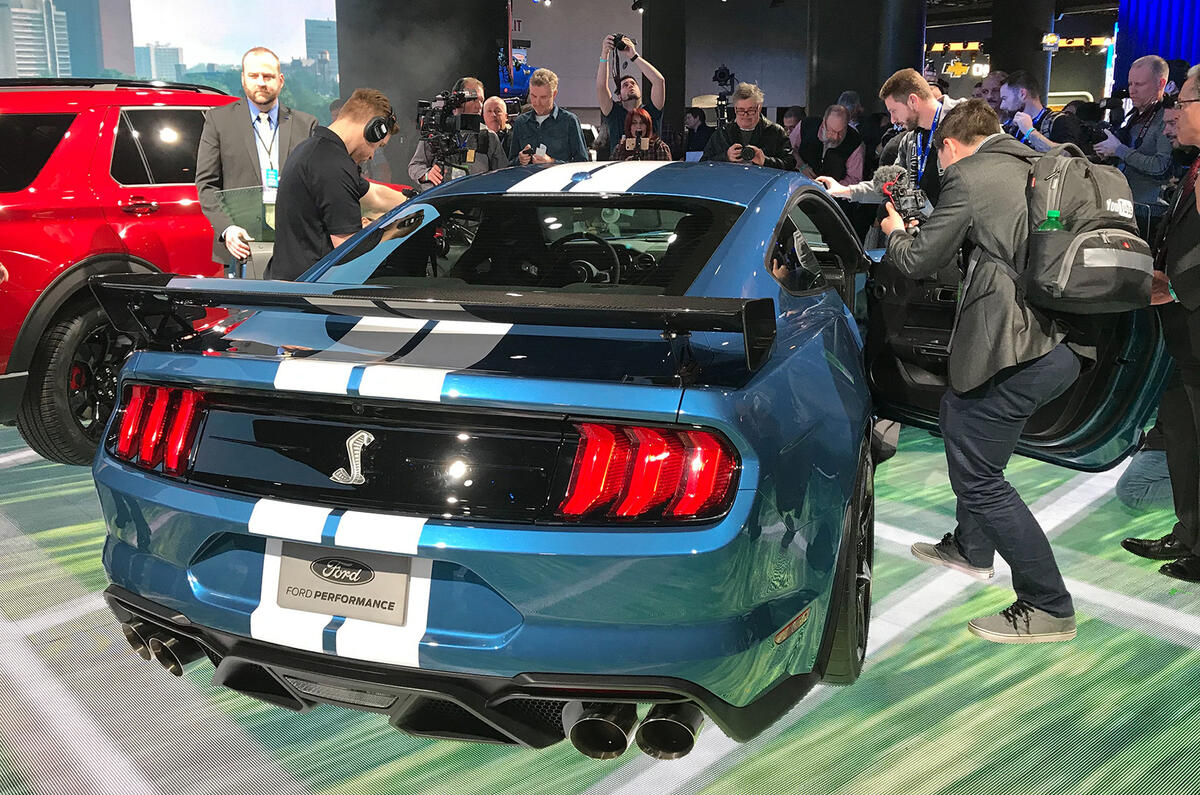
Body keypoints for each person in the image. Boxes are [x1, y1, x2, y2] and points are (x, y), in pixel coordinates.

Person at [887, 99, 1081, 642]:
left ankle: (1049, 603)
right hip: (1061, 342)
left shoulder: (969, 176)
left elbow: (917, 261)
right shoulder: (1035, 164)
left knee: (979, 472)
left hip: (1016, 346)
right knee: (964, 426)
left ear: (950, 146)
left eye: (940, 159)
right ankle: (972, 549)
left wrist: (896, 230)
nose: (942, 169)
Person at [1121, 64, 1200, 581]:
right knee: (1183, 430)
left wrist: (1174, 284)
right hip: (1183, 327)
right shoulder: (1193, 166)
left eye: (1186, 100)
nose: (1175, 109)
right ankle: (1190, 533)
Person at [195, 46, 318, 273]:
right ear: (243, 79)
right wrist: (227, 229)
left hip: (294, 244)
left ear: (280, 81)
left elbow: (317, 185)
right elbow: (206, 184)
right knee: (245, 310)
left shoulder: (306, 124)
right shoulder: (218, 121)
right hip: (241, 243)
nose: (261, 82)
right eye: (253, 76)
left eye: (268, 76)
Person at [267, 88, 408, 280]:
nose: (372, 155)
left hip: (294, 283)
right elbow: (348, 251)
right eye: (379, 145)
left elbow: (375, 195)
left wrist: (420, 201)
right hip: (311, 293)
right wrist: (395, 229)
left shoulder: (315, 150)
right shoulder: (332, 165)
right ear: (372, 129)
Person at [818, 68, 965, 209]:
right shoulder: (910, 141)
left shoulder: (965, 122)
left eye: (893, 111)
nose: (893, 120)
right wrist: (844, 190)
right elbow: (890, 184)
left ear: (913, 101)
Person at [1094, 55, 1173, 228]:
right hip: (1124, 205)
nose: (1132, 90)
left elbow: (1162, 167)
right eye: (1130, 84)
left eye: (1139, 84)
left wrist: (1119, 150)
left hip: (1150, 213)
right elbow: (1129, 155)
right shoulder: (1134, 115)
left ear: (1160, 84)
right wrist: (1108, 153)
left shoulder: (1167, 118)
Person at [407, 77, 505, 192]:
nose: (479, 106)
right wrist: (427, 175)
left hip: (476, 203)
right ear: (458, 100)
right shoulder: (436, 130)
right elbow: (415, 166)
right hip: (441, 201)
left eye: (481, 101)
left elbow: (503, 174)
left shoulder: (489, 136)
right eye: (473, 99)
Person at [596, 35, 666, 159]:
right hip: (620, 169)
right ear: (619, 96)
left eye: (633, 83)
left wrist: (633, 55)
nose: (630, 86)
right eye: (625, 85)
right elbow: (601, 86)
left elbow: (659, 81)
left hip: (650, 165)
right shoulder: (614, 114)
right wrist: (604, 53)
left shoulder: (651, 112)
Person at [700, 82, 795, 170]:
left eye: (751, 110)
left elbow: (790, 165)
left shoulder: (776, 132)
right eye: (741, 110)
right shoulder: (722, 133)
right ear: (734, 109)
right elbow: (704, 164)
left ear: (759, 107)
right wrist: (726, 157)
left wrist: (765, 161)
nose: (745, 115)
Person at [510, 68, 589, 165]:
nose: (537, 102)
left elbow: (582, 162)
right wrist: (520, 160)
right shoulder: (521, 122)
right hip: (529, 179)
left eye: (543, 97)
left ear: (554, 94)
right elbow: (510, 163)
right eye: (533, 96)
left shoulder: (569, 121)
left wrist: (552, 162)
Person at [1000, 70, 1092, 154]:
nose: (1002, 106)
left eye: (1005, 99)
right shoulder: (1012, 128)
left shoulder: (1060, 121)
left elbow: (1067, 155)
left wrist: (1030, 132)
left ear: (1022, 94)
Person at [795, 104, 865, 186]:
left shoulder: (854, 142)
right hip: (800, 187)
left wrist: (833, 187)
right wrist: (801, 165)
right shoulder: (806, 125)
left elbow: (855, 179)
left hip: (833, 195)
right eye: (832, 131)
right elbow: (790, 150)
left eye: (840, 132)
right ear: (824, 122)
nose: (835, 137)